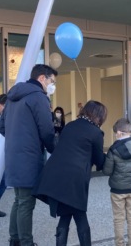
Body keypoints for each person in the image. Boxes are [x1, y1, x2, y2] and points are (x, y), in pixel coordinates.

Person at [33, 100, 107, 246]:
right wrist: (108, 157)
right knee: (80, 216)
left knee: (65, 216)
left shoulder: (71, 125)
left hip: (56, 175)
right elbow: (99, 160)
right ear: (98, 116)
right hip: (74, 180)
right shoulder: (95, 132)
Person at [0, 64, 57, 246]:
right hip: (29, 157)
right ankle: (26, 242)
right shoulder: (38, 97)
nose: (52, 85)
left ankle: (14, 240)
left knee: (19, 200)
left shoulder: (12, 97)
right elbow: (47, 130)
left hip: (14, 155)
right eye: (52, 81)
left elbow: (2, 128)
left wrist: (19, 139)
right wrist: (55, 149)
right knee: (26, 202)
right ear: (42, 78)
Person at [102, 118, 131, 246]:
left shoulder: (113, 149)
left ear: (120, 133)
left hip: (117, 190)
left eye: (116, 132)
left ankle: (120, 244)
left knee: (119, 219)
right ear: (130, 132)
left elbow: (107, 171)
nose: (115, 135)